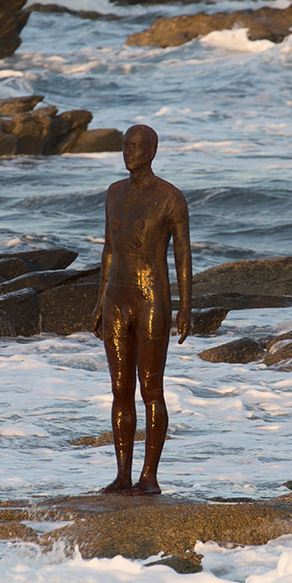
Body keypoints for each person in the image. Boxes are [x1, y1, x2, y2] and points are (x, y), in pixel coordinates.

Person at [92, 123, 191, 495]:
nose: (127, 152)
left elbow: (183, 255)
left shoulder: (170, 198)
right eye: (124, 146)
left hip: (153, 299)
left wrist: (186, 307)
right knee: (119, 389)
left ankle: (148, 477)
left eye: (135, 147)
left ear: (151, 151)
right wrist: (99, 301)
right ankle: (122, 476)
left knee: (151, 389)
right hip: (117, 298)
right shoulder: (114, 193)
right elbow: (109, 250)